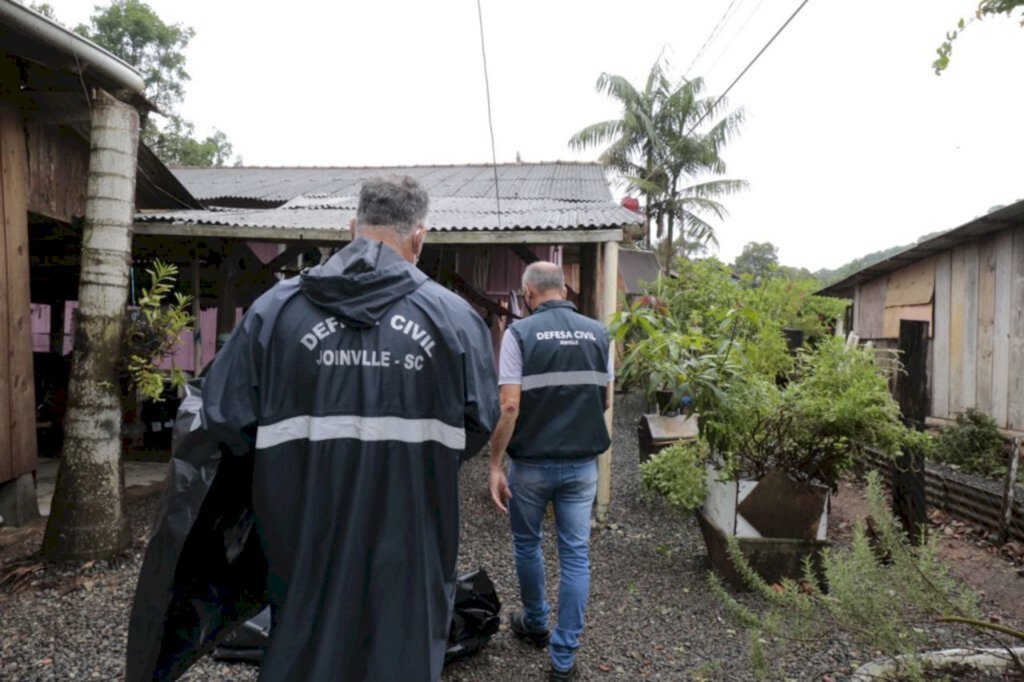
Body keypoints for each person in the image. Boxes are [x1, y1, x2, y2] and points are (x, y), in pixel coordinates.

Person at [126, 176, 500, 682]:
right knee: (401, 653)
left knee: (304, 650)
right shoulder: (455, 320)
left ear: (352, 229)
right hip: (411, 543)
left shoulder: (274, 312)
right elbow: (477, 424)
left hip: (300, 537)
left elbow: (223, 420)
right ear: (419, 238)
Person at [487, 262, 613, 681]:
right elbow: (605, 401)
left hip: (532, 466)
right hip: (582, 467)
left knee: (528, 543)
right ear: (564, 289)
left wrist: (493, 463)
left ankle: (536, 622)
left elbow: (509, 406)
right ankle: (563, 660)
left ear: (528, 293)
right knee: (575, 554)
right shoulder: (600, 334)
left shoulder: (519, 334)